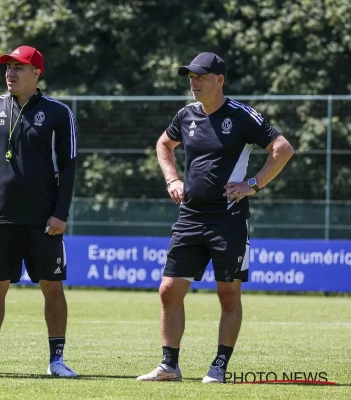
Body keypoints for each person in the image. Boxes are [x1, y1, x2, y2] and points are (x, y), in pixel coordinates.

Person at [136, 52, 294, 383]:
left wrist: (253, 184)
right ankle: (169, 366)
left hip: (229, 219)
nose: (193, 82)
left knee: (228, 294)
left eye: (200, 76)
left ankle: (219, 366)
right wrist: (172, 179)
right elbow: (164, 144)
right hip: (190, 217)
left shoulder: (242, 115)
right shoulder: (186, 114)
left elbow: (282, 149)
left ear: (219, 80)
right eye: (190, 77)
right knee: (168, 290)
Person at [0, 45, 78, 377]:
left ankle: (57, 360)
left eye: (19, 67)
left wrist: (61, 212)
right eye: (8, 67)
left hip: (45, 220)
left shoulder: (58, 113)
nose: (10, 73)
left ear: (36, 73)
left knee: (53, 288)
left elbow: (69, 166)